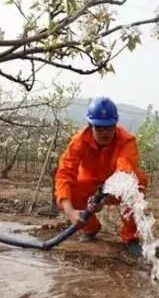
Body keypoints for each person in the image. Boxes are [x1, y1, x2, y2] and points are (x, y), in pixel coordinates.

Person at [55, 97, 148, 257]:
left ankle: (130, 236)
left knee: (137, 183)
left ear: (115, 125)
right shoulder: (79, 141)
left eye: (109, 128)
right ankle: (89, 227)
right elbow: (64, 173)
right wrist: (69, 212)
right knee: (71, 188)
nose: (105, 133)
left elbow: (124, 173)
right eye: (99, 128)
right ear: (90, 126)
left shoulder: (127, 141)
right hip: (90, 185)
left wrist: (103, 199)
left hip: (117, 187)